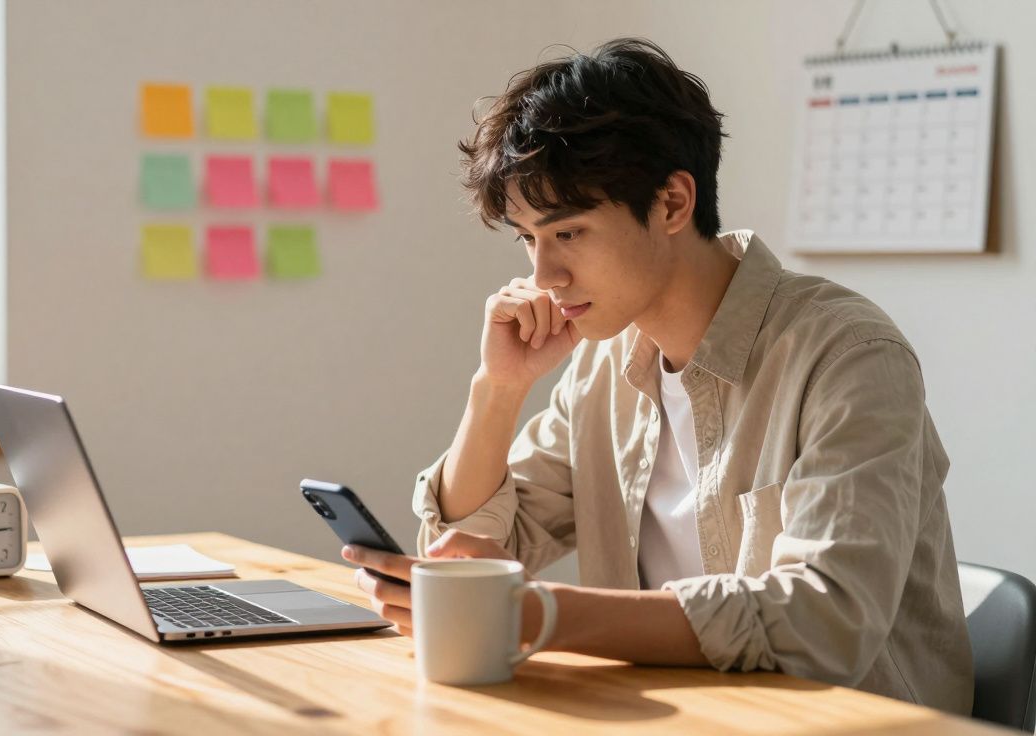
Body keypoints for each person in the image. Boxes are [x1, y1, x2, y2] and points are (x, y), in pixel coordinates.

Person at [343, 37, 973, 714]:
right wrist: (497, 389)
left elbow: (826, 619)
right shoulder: (605, 361)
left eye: (569, 233)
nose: (543, 277)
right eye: (529, 238)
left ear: (672, 203)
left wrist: (546, 616)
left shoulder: (848, 354)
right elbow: (484, 549)